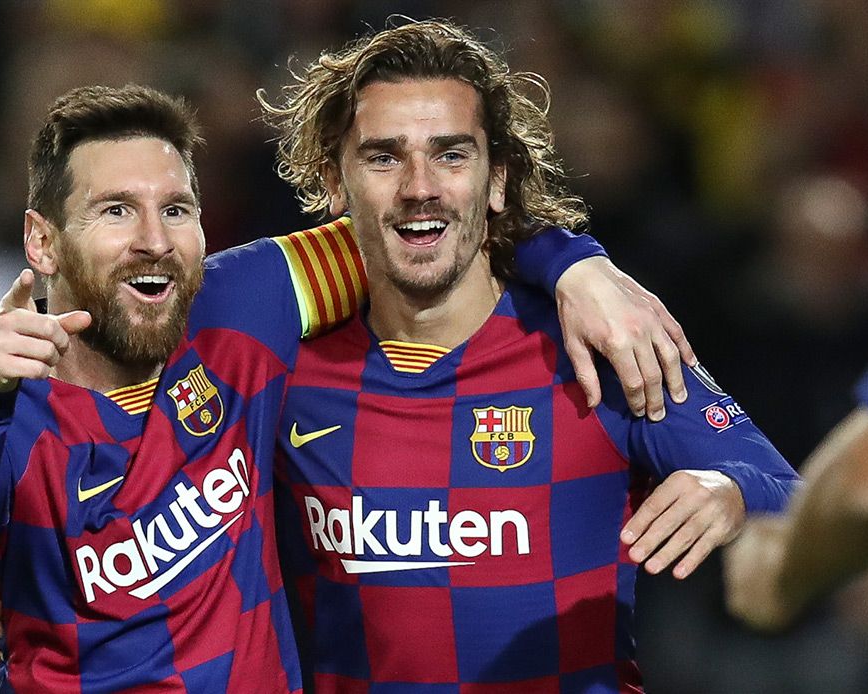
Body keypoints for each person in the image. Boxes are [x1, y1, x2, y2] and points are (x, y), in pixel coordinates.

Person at [0, 82, 697, 691]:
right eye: (116, 210)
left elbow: (423, 226)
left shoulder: (244, 308)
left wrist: (575, 263)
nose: (153, 240)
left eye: (175, 208)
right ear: (43, 238)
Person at [251, 20, 800, 691]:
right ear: (336, 183)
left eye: (451, 155)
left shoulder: (603, 346)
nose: (419, 185)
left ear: (496, 179)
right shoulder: (280, 373)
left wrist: (733, 490)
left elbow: (800, 499)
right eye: (384, 158)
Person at [725, 178, 868, 633]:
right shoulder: (729, 334)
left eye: (840, 258)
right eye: (808, 255)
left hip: (853, 557)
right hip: (755, 533)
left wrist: (780, 570)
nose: (822, 274)